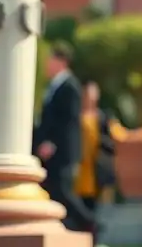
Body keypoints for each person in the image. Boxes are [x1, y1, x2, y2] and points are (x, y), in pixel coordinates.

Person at [35, 44, 96, 235]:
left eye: (51, 60)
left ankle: (90, 223)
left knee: (63, 190)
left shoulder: (70, 86)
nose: (47, 64)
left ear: (61, 61)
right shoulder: (54, 86)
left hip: (62, 152)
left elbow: (68, 120)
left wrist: (52, 142)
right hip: (51, 154)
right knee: (54, 191)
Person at [76, 82, 116, 245]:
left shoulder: (102, 117)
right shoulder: (76, 115)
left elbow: (113, 139)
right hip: (78, 169)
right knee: (77, 206)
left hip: (95, 170)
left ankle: (93, 239)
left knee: (92, 206)